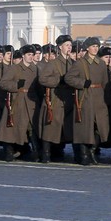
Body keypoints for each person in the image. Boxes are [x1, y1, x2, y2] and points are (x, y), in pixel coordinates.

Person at [63, 37, 110, 165]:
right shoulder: (80, 63)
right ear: (87, 48)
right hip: (86, 97)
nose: (95, 48)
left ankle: (92, 151)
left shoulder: (101, 63)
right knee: (84, 127)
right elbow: (69, 78)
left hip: (99, 97)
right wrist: (82, 83)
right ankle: (84, 154)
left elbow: (105, 82)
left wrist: (106, 97)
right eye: (93, 46)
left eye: (97, 46)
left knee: (99, 127)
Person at [0, 44, 40, 161]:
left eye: (33, 55)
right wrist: (16, 86)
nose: (31, 57)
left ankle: (35, 153)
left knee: (31, 128)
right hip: (16, 101)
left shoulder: (35, 69)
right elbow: (3, 83)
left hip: (30, 101)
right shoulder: (14, 68)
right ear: (23, 55)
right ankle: (9, 152)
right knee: (11, 128)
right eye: (29, 55)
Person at [36, 35, 74, 163]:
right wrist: (59, 81)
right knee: (51, 126)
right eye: (66, 45)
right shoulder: (53, 63)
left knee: (64, 126)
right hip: (55, 97)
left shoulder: (72, 63)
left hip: (69, 98)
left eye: (70, 45)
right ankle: (46, 153)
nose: (69, 47)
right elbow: (43, 79)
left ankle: (58, 151)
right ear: (60, 47)